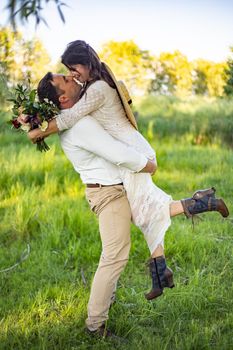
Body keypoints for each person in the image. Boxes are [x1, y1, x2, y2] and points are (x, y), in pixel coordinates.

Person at [28, 41, 229, 303]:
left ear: (87, 63)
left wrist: (35, 129)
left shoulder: (97, 89)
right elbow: (70, 115)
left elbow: (68, 118)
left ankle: (200, 210)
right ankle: (164, 268)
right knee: (146, 210)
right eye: (67, 71)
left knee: (145, 211)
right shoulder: (93, 86)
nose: (72, 73)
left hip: (134, 154)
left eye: (73, 68)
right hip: (132, 152)